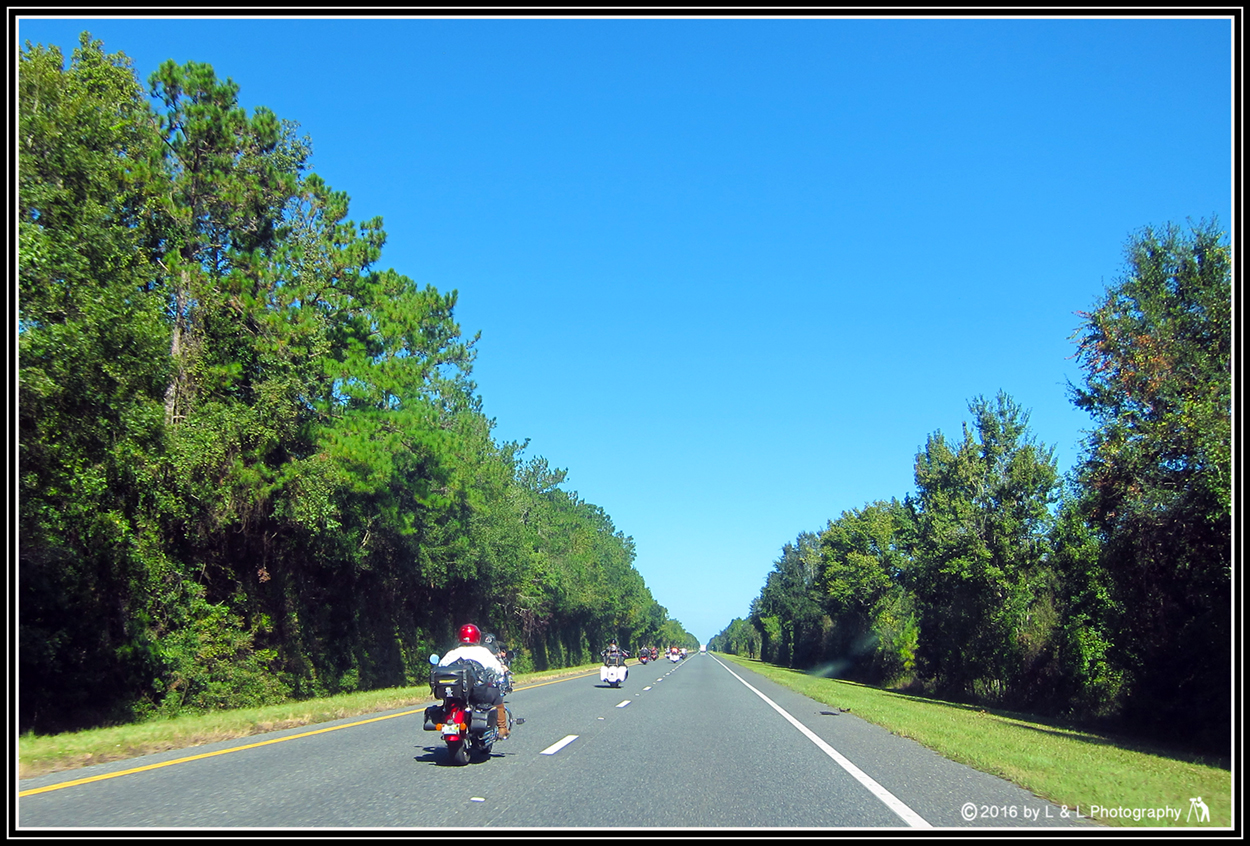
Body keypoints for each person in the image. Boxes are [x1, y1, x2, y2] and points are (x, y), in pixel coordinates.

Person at [438, 623, 510, 738]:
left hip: (455, 693)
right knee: (497, 694)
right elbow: (497, 670)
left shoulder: (452, 653)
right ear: (477, 637)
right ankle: (502, 728)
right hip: (477, 693)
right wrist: (501, 675)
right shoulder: (483, 652)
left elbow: (441, 668)